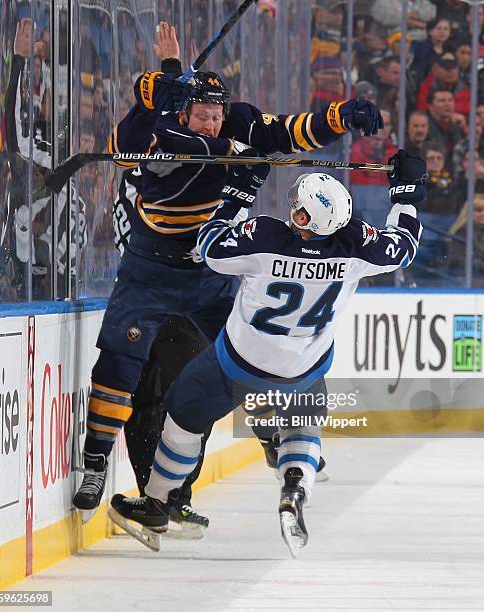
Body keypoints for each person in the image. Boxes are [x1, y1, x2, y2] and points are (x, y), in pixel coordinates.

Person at [73, 21, 376, 519]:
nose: (211, 124)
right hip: (150, 269)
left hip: (207, 275)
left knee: (245, 356)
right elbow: (174, 137)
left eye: (217, 116)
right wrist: (164, 84)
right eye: (202, 115)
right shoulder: (165, 131)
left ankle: (275, 436)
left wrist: (338, 117)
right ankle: (96, 460)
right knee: (120, 363)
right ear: (185, 111)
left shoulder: (231, 122)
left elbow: (285, 132)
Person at [109, 149, 426, 556]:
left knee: (183, 417)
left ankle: (156, 502)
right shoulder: (355, 246)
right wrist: (406, 195)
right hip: (304, 368)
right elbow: (403, 246)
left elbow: (211, 248)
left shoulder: (266, 238)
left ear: (302, 218)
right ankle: (294, 487)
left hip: (238, 362)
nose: (290, 203)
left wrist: (240, 191)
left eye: (297, 203)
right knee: (304, 424)